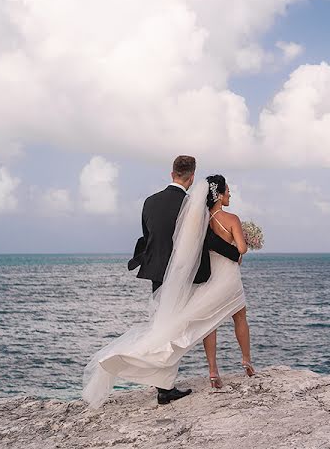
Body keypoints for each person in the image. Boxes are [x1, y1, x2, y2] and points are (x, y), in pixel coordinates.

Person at [82, 168, 250, 409]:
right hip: (185, 277)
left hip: (159, 275)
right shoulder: (192, 204)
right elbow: (206, 240)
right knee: (180, 326)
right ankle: (146, 368)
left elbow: (147, 236)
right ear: (191, 178)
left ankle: (164, 386)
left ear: (173, 172)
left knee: (167, 325)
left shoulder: (150, 202)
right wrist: (236, 252)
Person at [202, 175, 255, 388]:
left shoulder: (202, 219)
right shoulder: (231, 219)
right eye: (228, 191)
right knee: (240, 317)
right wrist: (246, 242)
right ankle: (246, 360)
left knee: (210, 323)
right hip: (229, 274)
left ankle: (213, 371)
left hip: (210, 274)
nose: (230, 194)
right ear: (220, 194)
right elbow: (241, 249)